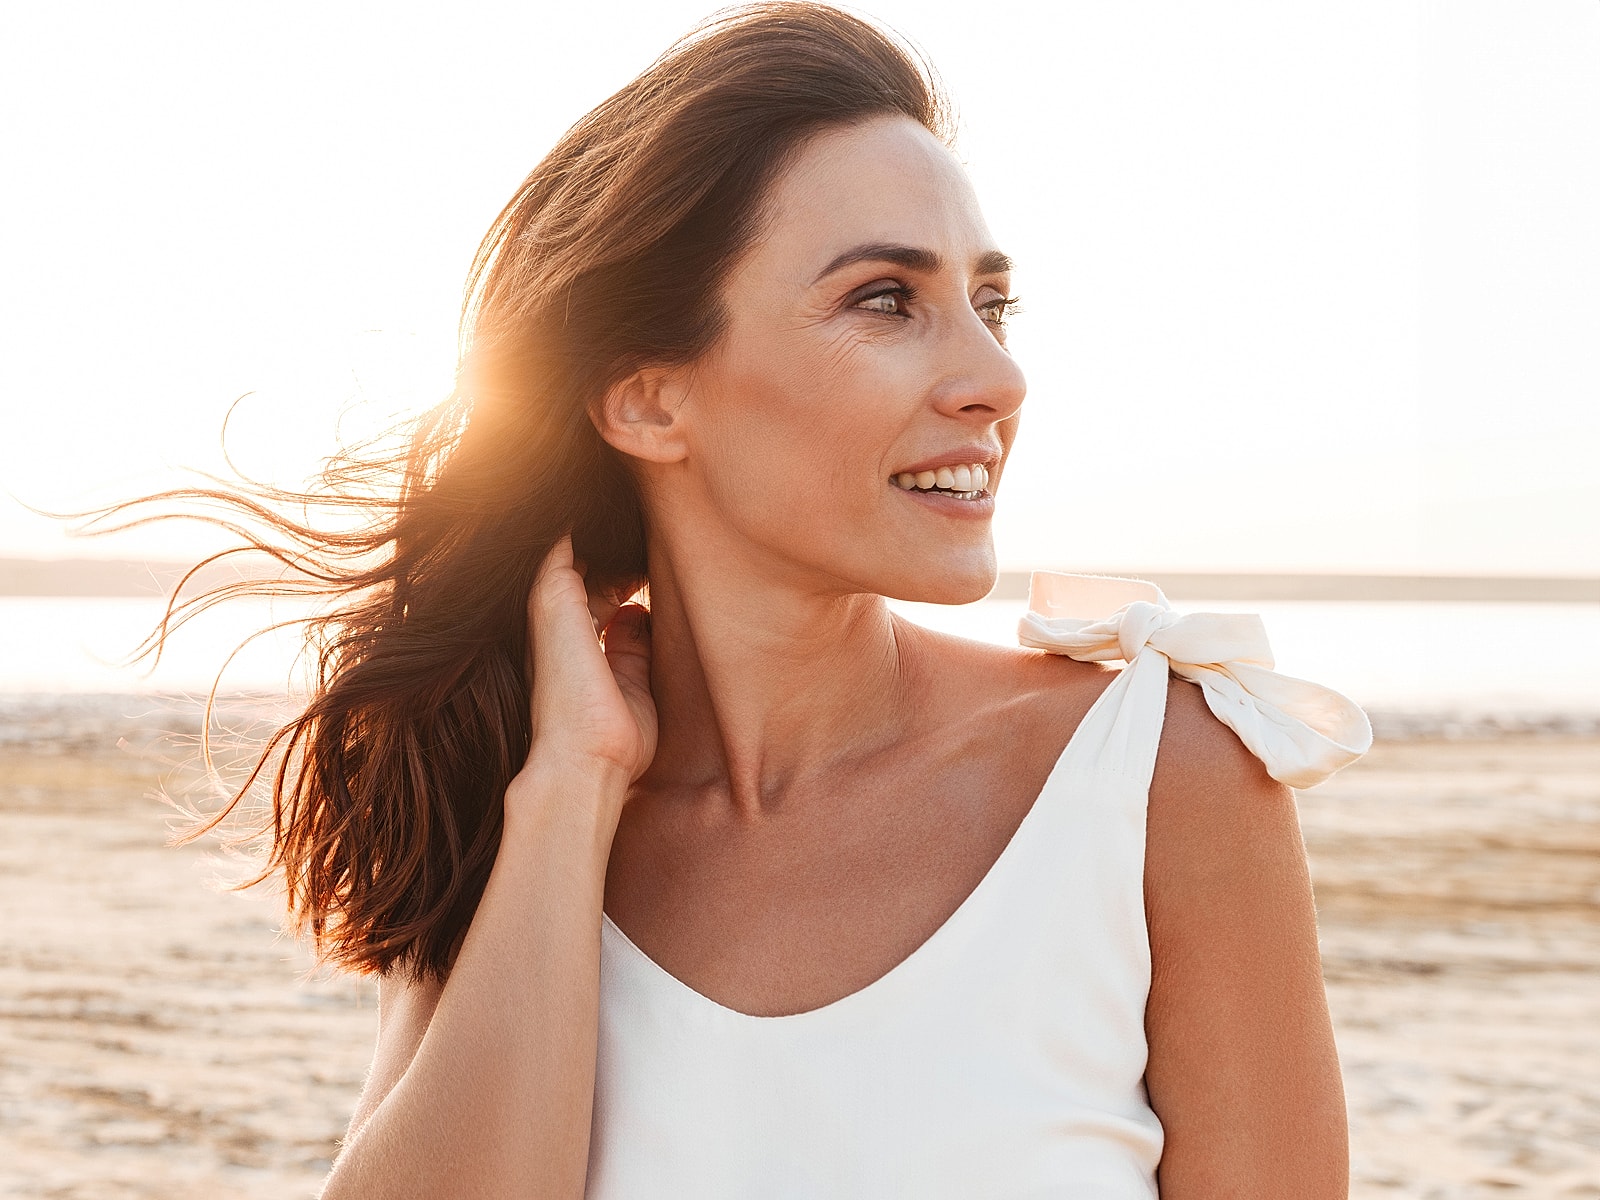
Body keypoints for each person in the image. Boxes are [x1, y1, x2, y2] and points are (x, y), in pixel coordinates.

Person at [152, 4, 1370, 1195]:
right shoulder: (523, 813)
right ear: (647, 401)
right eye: (885, 299)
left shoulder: (1158, 777)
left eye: (988, 304)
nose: (996, 378)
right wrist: (570, 794)